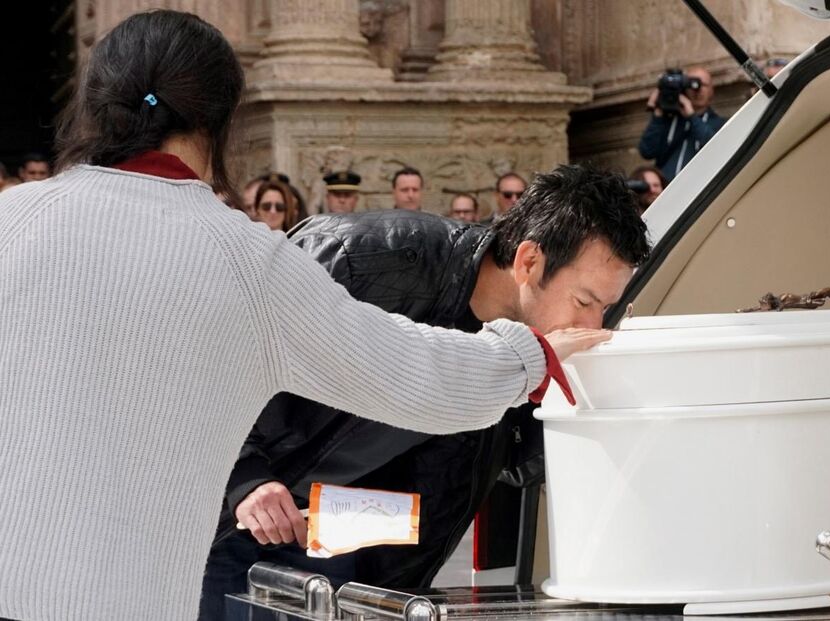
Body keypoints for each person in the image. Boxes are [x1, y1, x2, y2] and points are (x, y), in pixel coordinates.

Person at [0, 11, 609, 621]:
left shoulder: (11, 222)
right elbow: (410, 372)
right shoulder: (246, 261)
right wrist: (531, 354)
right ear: (222, 119)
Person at [200, 163, 651, 617]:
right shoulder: (360, 255)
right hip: (236, 519)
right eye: (584, 302)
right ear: (529, 261)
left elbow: (509, 463)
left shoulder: (529, 342)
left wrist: (578, 399)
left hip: (353, 551)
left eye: (606, 307)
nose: (591, 324)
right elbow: (223, 356)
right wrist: (247, 474)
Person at [638, 66, 726, 181]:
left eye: (702, 85)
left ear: (712, 90)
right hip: (666, 190)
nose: (697, 89)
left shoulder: (719, 124)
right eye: (691, 84)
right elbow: (647, 151)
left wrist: (692, 117)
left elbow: (717, 149)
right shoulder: (668, 121)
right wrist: (658, 115)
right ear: (683, 88)